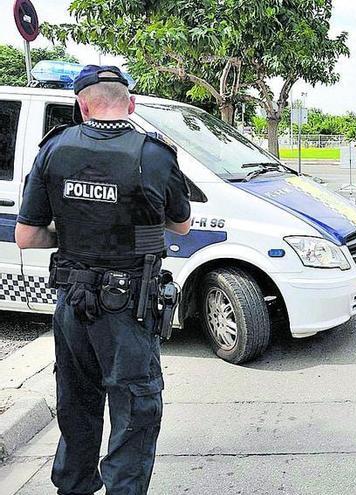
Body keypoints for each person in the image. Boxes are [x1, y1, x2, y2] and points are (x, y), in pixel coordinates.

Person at [15, 65, 191, 495]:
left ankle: (73, 486)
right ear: (130, 104)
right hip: (127, 309)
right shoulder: (153, 154)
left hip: (72, 304)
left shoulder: (54, 148)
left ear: (81, 105)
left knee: (76, 403)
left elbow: (26, 236)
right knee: (134, 408)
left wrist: (74, 232)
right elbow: (182, 225)